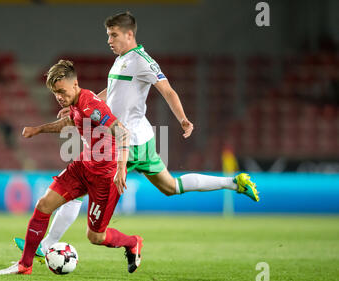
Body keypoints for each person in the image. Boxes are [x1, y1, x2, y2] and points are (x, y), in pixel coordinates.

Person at [15, 11, 259, 262]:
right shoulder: (121, 59)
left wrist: (183, 119)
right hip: (140, 140)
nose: (109, 40)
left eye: (113, 35)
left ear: (129, 34)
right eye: (108, 35)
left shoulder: (142, 61)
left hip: (126, 142)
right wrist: (79, 105)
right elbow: (111, 93)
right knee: (171, 187)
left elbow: (167, 90)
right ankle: (233, 183)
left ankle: (46, 245)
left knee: (78, 189)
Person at [0, 60, 143, 275]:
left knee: (96, 237)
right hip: (84, 166)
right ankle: (24, 265)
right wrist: (38, 130)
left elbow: (122, 132)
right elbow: (71, 123)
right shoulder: (75, 104)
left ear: (75, 85)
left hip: (105, 175)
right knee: (44, 204)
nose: (59, 97)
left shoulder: (90, 105)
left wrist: (121, 168)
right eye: (55, 93)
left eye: (62, 91)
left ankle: (132, 242)